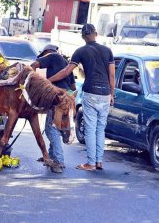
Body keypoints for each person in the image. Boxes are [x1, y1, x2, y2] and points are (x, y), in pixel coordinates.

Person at [48, 23, 115, 171]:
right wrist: (112, 94)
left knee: (90, 128)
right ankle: (98, 162)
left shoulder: (80, 51)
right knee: (100, 128)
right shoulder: (107, 51)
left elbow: (66, 71)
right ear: (96, 34)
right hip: (105, 93)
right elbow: (111, 75)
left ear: (83, 37)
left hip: (91, 92)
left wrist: (48, 81)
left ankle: (90, 163)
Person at [30, 44, 76, 173]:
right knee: (56, 127)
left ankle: (58, 161)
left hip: (58, 97)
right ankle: (50, 156)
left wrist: (37, 82)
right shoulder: (66, 63)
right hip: (67, 96)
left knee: (51, 129)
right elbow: (72, 86)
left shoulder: (51, 55)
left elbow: (34, 65)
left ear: (47, 52)